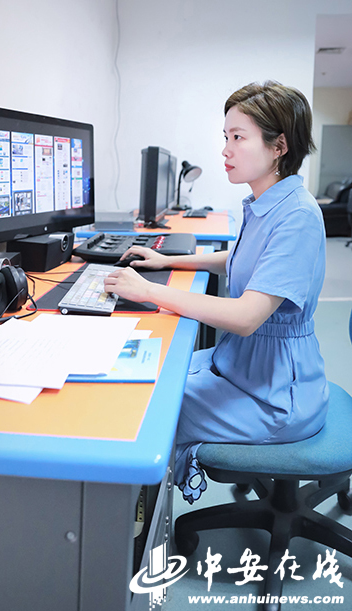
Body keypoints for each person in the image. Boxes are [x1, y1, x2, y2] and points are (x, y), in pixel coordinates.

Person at [103, 81, 327, 504]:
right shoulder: (266, 202)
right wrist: (167, 262)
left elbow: (245, 317)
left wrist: (148, 292)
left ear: (279, 146)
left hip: (276, 394)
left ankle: (131, 526)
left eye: (238, 138)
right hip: (243, 366)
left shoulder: (297, 215)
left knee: (145, 409)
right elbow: (240, 260)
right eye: (226, 137)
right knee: (143, 371)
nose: (225, 150)